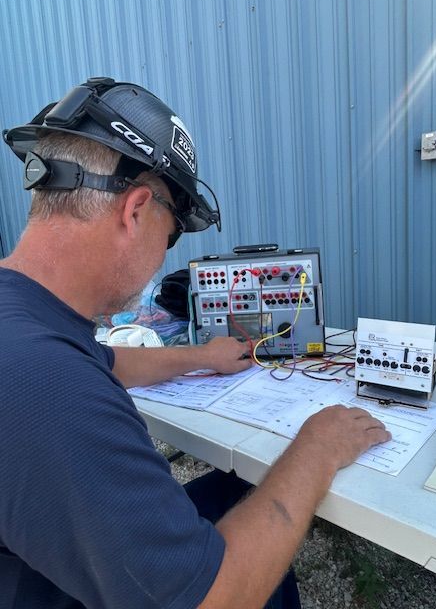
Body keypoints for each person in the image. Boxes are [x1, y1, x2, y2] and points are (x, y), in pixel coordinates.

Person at [0, 77, 391, 609]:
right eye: (172, 234)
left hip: (42, 563)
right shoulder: (50, 387)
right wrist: (317, 448)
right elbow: (217, 599)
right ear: (136, 210)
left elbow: (106, 360)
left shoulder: (24, 318)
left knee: (236, 487)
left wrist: (200, 356)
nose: (164, 254)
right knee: (266, 565)